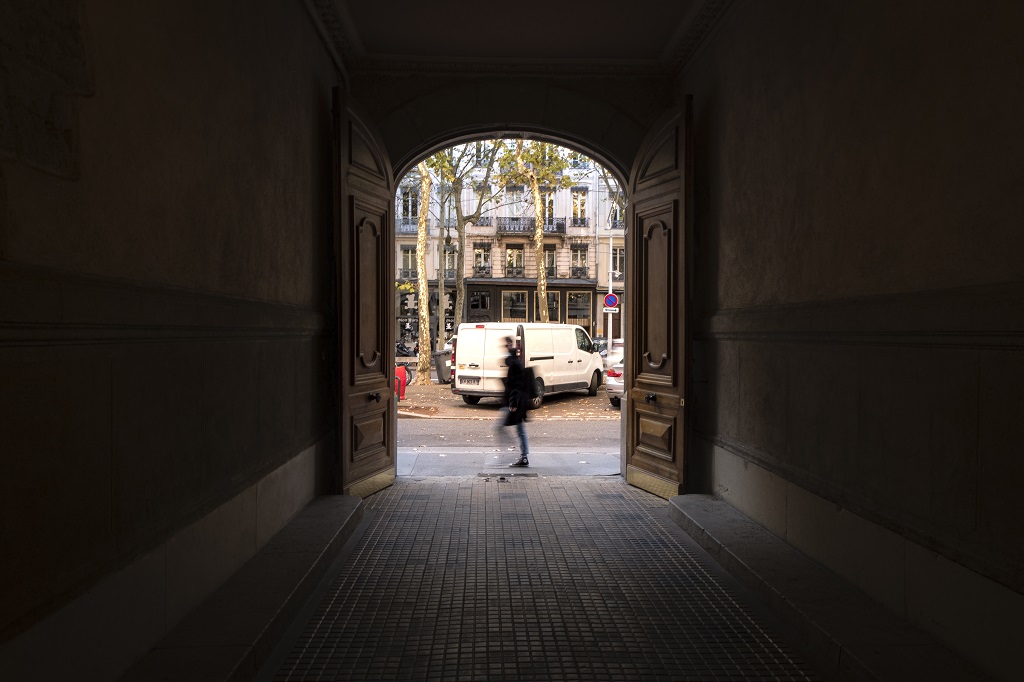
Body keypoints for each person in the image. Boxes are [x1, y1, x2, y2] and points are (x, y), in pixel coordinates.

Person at [501, 336, 530, 467]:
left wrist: (513, 403)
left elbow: (516, 385)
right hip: (517, 401)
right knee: (518, 429)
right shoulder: (514, 361)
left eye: (506, 346)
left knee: (519, 429)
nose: (505, 349)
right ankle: (522, 455)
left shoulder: (514, 364)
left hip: (517, 402)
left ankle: (523, 456)